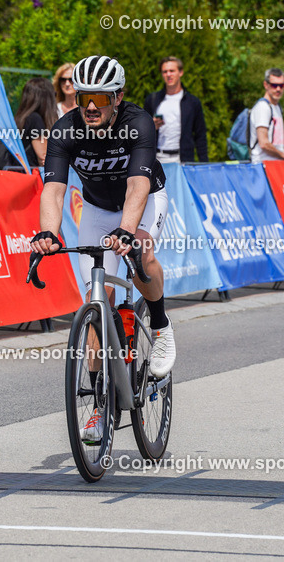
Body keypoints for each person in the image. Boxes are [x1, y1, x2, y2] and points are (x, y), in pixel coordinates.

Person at [31, 55, 175, 443]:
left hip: (143, 200)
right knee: (97, 304)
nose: (91, 106)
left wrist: (128, 230)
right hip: (95, 207)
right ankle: (98, 406)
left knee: (141, 252)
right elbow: (55, 189)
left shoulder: (137, 123)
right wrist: (47, 232)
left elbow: (138, 187)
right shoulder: (65, 130)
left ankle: (161, 327)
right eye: (83, 97)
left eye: (100, 97)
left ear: (118, 96)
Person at [143, 56, 208, 163]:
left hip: (183, 160)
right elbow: (142, 132)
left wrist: (204, 164)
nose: (168, 75)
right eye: (165, 72)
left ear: (180, 72)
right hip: (158, 159)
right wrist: (151, 127)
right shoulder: (152, 100)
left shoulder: (192, 102)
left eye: (172, 71)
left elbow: (200, 135)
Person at [249, 68, 284, 163]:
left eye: (281, 85)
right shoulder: (263, 107)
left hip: (276, 165)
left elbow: (276, 146)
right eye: (274, 85)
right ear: (265, 85)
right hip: (262, 166)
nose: (278, 89)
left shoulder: (277, 107)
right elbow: (264, 143)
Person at [16, 77, 58, 167]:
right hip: (29, 177)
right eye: (54, 95)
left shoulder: (20, 119)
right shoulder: (35, 119)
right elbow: (44, 156)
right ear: (46, 98)